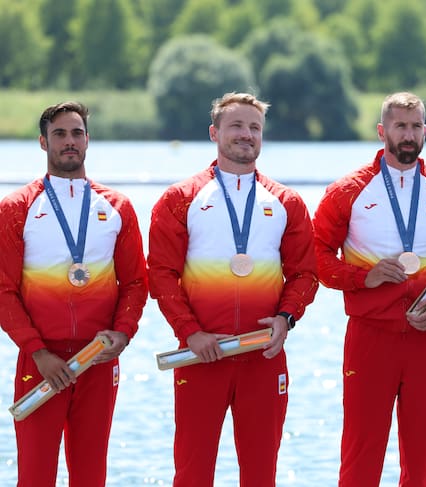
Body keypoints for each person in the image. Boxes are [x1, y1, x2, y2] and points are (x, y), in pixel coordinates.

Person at [147, 92, 319, 487]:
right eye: (237, 126)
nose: (246, 134)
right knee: (192, 474)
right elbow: (160, 274)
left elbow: (305, 274)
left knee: (261, 475)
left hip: (263, 355)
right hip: (202, 356)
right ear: (214, 133)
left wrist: (285, 318)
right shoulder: (180, 199)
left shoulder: (287, 202)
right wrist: (191, 333)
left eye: (254, 127)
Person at [312, 91, 426, 487]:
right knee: (360, 457)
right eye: (400, 126)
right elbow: (314, 256)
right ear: (381, 130)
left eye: (415, 126)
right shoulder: (347, 191)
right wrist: (361, 278)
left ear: (425, 131)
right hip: (371, 336)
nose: (408, 134)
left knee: (421, 463)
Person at [0, 101, 148, 487]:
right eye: (60, 134)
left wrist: (123, 333)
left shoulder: (117, 207)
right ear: (42, 142)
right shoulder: (16, 208)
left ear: (88, 140)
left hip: (97, 359)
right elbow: (3, 290)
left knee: (90, 475)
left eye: (77, 133)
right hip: (41, 362)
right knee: (34, 476)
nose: (69, 141)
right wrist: (38, 350)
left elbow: (135, 283)